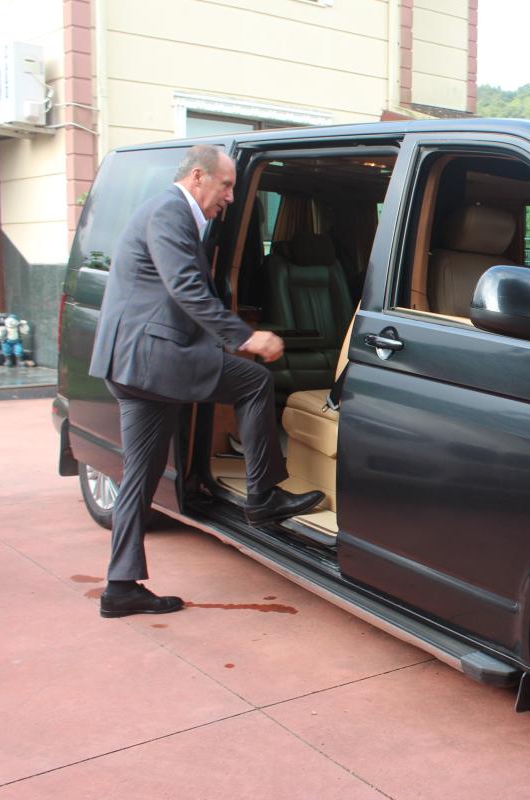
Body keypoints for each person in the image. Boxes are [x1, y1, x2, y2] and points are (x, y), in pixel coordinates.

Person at [88, 144, 324, 619]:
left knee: (140, 475)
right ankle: (262, 495)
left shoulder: (169, 212)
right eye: (227, 186)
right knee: (255, 381)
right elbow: (186, 289)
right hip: (156, 359)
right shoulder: (170, 213)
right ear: (198, 177)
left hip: (135, 365)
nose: (231, 197)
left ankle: (120, 587)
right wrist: (245, 337)